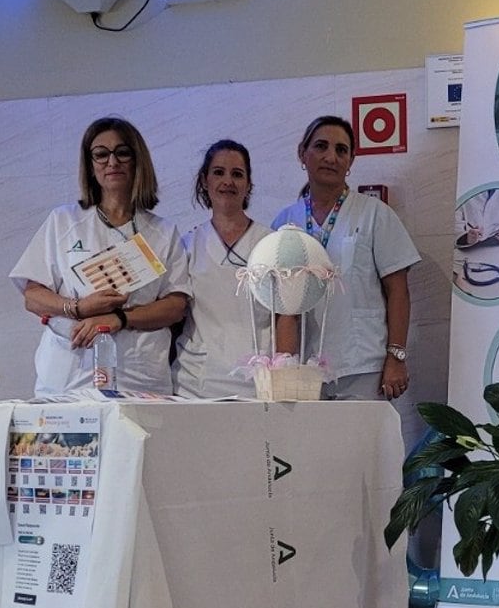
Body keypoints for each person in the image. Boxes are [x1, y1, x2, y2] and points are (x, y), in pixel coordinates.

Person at [11, 117, 190, 396]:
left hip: (139, 377)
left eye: (122, 152)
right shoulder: (63, 221)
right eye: (101, 154)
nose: (112, 162)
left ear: (137, 159)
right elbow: (32, 297)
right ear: (90, 164)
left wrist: (121, 317)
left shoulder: (162, 232)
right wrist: (78, 308)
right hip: (71, 375)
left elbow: (176, 306)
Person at [271, 116, 421, 400]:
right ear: (302, 153)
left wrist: (396, 357)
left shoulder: (375, 214)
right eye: (321, 146)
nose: (331, 157)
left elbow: (398, 291)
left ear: (351, 161)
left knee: (362, 445)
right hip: (303, 367)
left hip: (363, 365)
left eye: (341, 150)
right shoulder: (284, 222)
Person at [173, 140, 272, 398]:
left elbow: (286, 315)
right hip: (195, 382)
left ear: (249, 185)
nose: (228, 181)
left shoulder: (271, 244)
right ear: (205, 181)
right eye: (219, 172)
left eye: (237, 174)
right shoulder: (186, 245)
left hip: (257, 382)